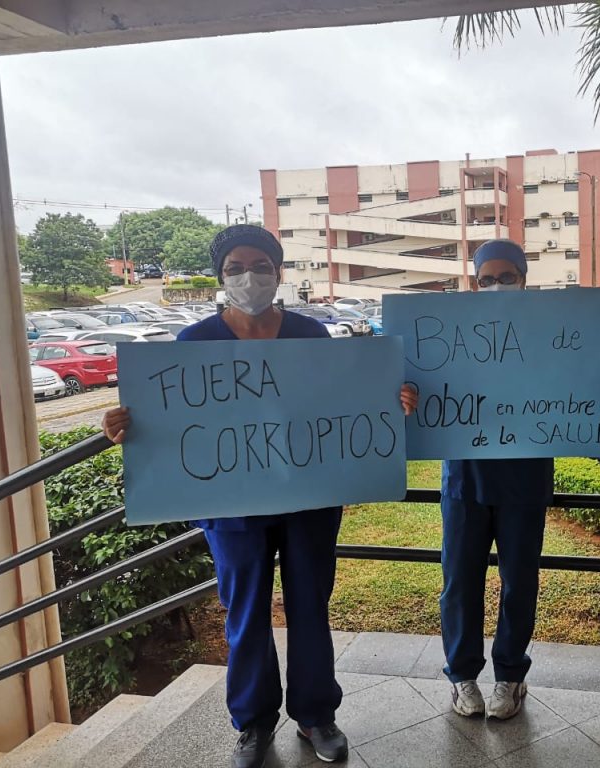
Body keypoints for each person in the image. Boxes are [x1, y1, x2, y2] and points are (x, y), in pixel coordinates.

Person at [102, 224, 417, 768]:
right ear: (222, 277)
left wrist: (391, 401)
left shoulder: (310, 336)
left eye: (261, 266)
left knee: (309, 607)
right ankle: (252, 723)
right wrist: (126, 424)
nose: (249, 277)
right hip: (232, 504)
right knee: (245, 611)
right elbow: (173, 419)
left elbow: (343, 403)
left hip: (309, 500)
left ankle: (316, 714)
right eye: (235, 268)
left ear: (278, 272)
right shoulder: (193, 344)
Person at [437, 239, 554, 721]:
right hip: (465, 476)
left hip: (524, 477)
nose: (497, 286)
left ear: (525, 279)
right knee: (460, 581)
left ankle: (510, 675)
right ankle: (462, 676)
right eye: (487, 279)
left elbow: (578, 385)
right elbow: (422, 382)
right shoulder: (449, 332)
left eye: (507, 277)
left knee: (518, 580)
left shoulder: (553, 332)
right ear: (474, 282)